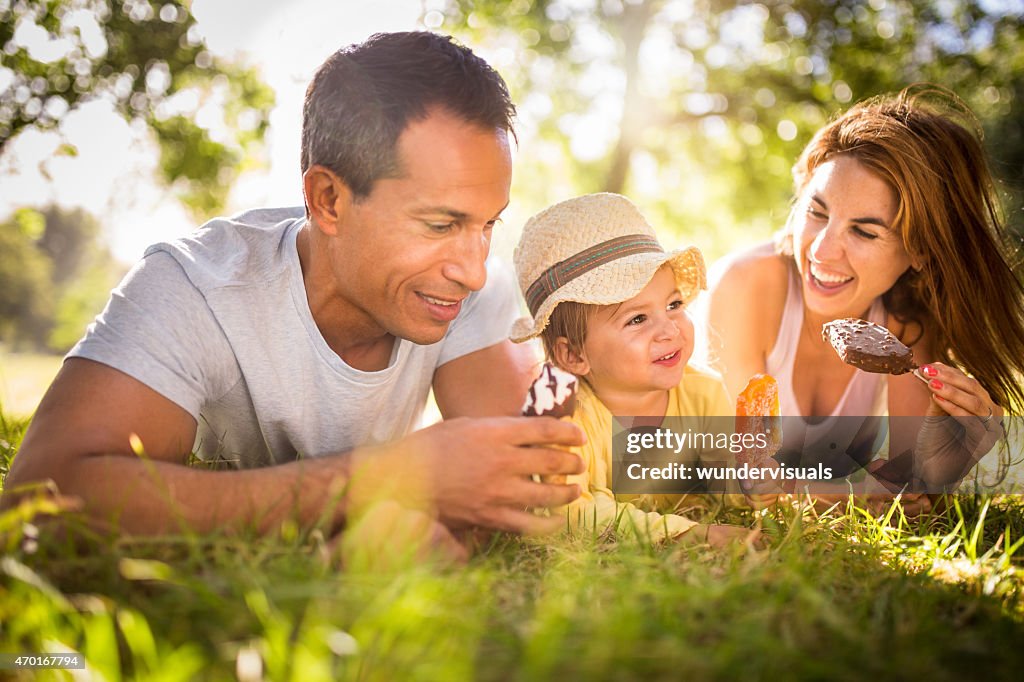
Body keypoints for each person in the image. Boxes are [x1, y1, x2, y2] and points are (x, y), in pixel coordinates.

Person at [2, 32, 586, 548]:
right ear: (329, 200)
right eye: (441, 225)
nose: (474, 270)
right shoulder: (194, 286)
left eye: (489, 225)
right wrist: (379, 483)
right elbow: (41, 499)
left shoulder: (463, 289)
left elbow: (524, 476)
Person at [704, 85, 1023, 500]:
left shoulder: (906, 325)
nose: (821, 250)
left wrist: (940, 471)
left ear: (920, 251)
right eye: (817, 212)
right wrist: (867, 490)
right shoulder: (746, 285)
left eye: (864, 231)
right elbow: (746, 481)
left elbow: (909, 494)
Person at [512, 193, 757, 547]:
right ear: (574, 354)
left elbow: (726, 484)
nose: (670, 330)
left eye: (674, 304)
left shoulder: (703, 392)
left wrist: (753, 484)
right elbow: (566, 512)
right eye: (638, 318)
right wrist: (688, 534)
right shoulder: (560, 416)